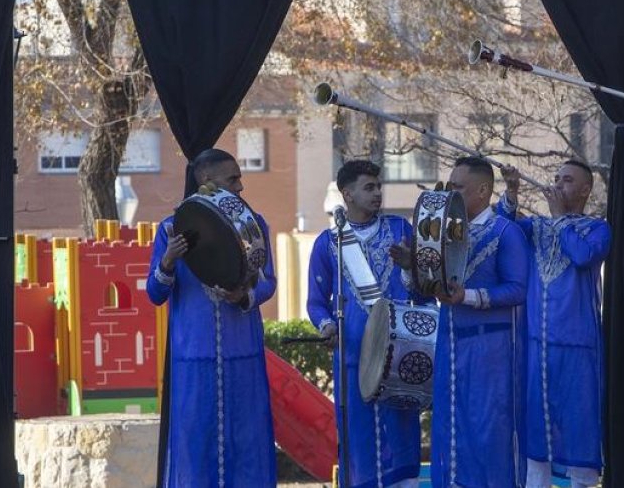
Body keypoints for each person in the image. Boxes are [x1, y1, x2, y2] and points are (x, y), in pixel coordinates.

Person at [145, 148, 277, 487]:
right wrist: (168, 262)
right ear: (206, 180)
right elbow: (155, 295)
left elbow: (268, 283)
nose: (240, 187)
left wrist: (245, 296)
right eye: (233, 179)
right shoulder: (171, 229)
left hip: (242, 354)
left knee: (248, 442)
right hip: (194, 357)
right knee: (193, 444)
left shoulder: (255, 224)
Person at [397, 156, 529, 487]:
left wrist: (466, 296)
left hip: (492, 350)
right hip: (451, 345)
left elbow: (518, 289)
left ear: (483, 191)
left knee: (490, 433)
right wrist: (409, 267)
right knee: (452, 429)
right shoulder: (443, 235)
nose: (450, 193)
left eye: (458, 187)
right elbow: (427, 293)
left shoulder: (505, 231)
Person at [307, 160, 425, 488]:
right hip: (353, 356)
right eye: (368, 187)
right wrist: (327, 326)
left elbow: (424, 292)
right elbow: (316, 302)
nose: (377, 193)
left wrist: (407, 267)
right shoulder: (328, 243)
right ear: (347, 194)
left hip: (400, 357)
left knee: (402, 437)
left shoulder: (401, 230)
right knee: (358, 441)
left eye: (378, 186)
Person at [496, 160, 611, 488]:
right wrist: (512, 192)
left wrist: (560, 217)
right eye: (556, 178)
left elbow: (583, 256)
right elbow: (502, 231)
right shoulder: (537, 227)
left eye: (568, 180)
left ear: (586, 190)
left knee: (579, 430)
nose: (558, 185)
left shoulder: (599, 229)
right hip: (536, 346)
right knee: (535, 439)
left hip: (579, 346)